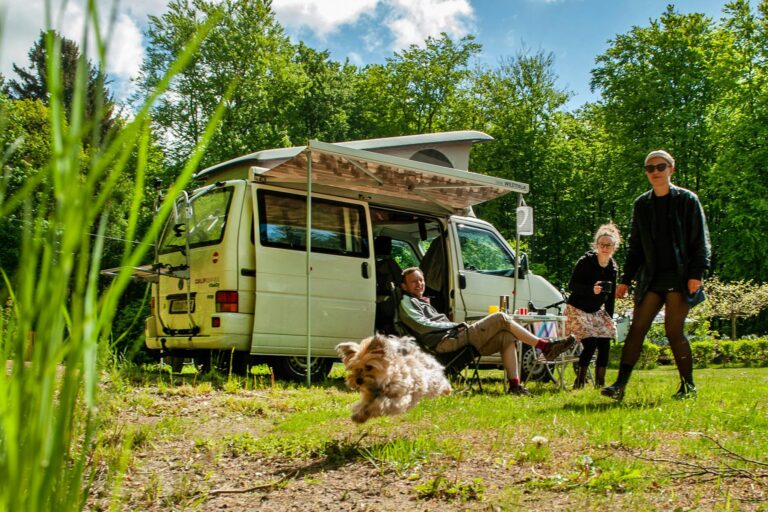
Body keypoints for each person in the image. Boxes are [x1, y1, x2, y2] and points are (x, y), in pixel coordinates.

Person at [602, 150, 710, 401]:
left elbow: (700, 240)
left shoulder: (687, 200)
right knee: (637, 327)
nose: (655, 172)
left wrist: (697, 273)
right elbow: (636, 246)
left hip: (681, 276)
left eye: (660, 167)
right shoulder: (642, 204)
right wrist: (626, 280)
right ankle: (619, 385)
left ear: (671, 169)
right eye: (649, 169)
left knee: (673, 329)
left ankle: (688, 386)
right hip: (652, 277)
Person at [398, 267, 576, 395]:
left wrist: (453, 327)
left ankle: (515, 385)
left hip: (453, 337)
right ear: (404, 286)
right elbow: (421, 324)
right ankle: (544, 346)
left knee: (506, 335)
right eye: (414, 281)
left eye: (421, 280)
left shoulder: (421, 300)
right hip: (445, 342)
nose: (419, 284)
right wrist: (453, 326)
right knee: (500, 317)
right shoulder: (407, 302)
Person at [565, 222, 621, 389]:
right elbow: (572, 285)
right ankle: (579, 382)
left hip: (596, 311)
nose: (605, 248)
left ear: (614, 247)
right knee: (591, 342)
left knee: (605, 341)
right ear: (596, 245)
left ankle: (600, 384)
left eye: (608, 245)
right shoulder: (586, 262)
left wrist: (609, 318)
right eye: (602, 244)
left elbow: (610, 297)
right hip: (577, 308)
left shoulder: (613, 268)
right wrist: (591, 290)